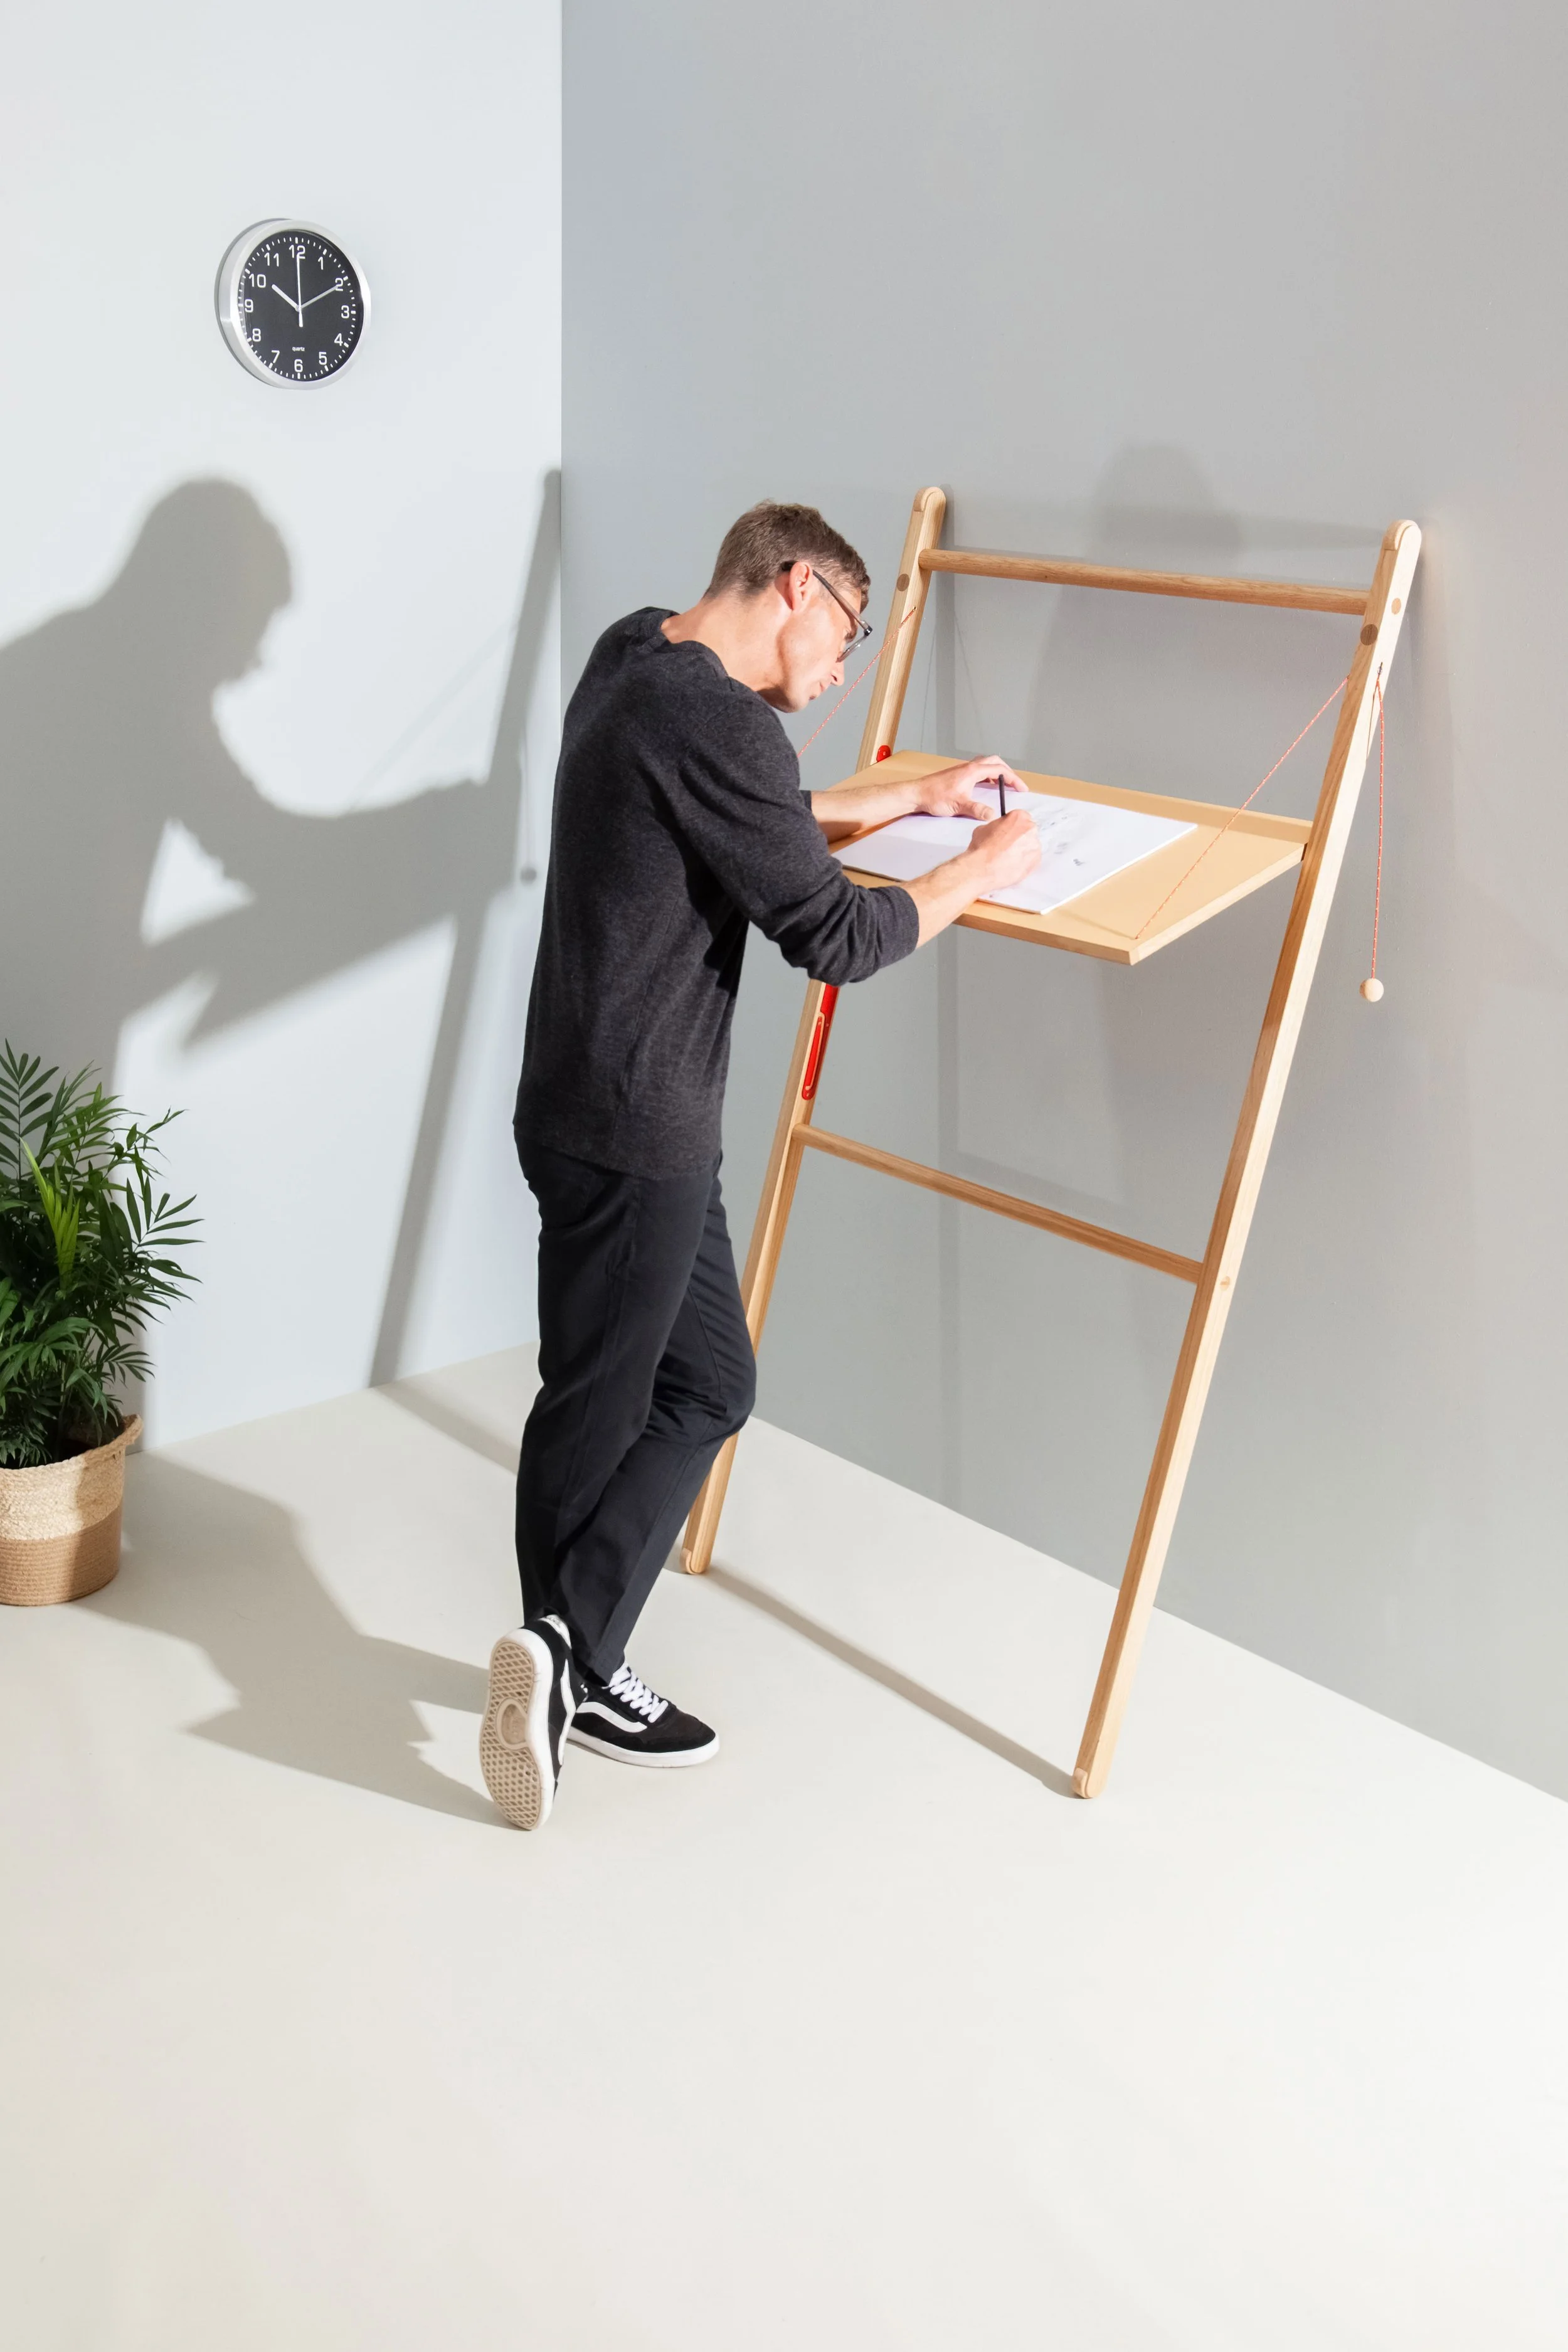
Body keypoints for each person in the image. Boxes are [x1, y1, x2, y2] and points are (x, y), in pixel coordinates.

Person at [479, 501, 1041, 1830]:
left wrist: (907, 794)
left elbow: (759, 820)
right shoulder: (721, 719)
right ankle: (565, 1655)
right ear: (795, 586)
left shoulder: (634, 657)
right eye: (843, 635)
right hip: (637, 1130)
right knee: (598, 1402)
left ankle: (562, 1650)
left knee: (704, 1385)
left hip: (585, 1104)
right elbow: (834, 937)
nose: (840, 672)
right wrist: (980, 866)